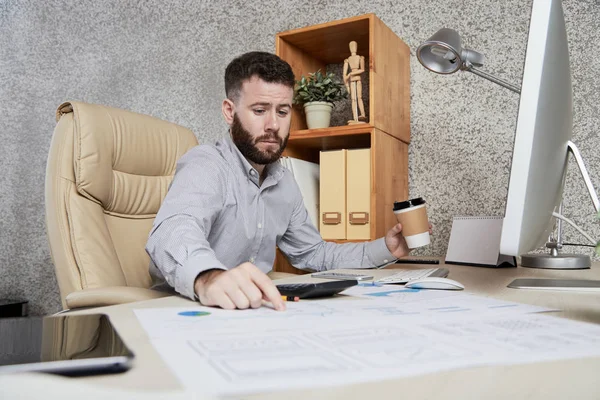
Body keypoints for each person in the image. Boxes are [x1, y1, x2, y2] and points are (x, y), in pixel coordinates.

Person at [146, 51, 419, 312]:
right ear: (230, 112)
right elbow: (173, 230)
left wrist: (385, 248)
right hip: (186, 308)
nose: (273, 125)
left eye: (282, 111)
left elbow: (314, 254)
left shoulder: (283, 180)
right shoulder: (206, 164)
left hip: (251, 311)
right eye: (260, 110)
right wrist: (209, 277)